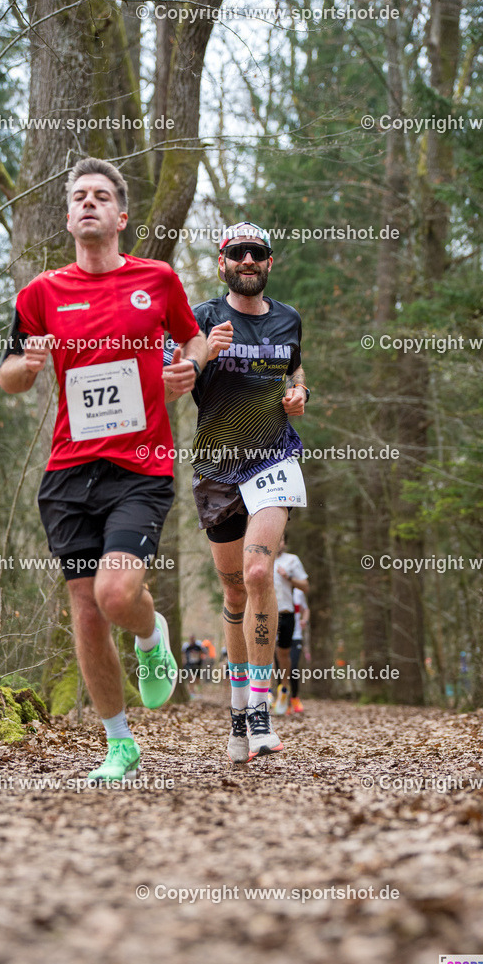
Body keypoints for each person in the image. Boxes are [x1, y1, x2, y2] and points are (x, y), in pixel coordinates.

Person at [0, 157, 207, 783]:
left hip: (141, 466)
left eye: (101, 196)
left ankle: (151, 633)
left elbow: (192, 339)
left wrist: (188, 368)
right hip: (68, 470)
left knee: (116, 594)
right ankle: (119, 744)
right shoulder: (40, 294)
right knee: (86, 609)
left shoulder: (159, 279)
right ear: (68, 217)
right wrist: (29, 366)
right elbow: (8, 375)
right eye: (79, 197)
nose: (89, 204)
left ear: (121, 216)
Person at [190, 221, 310, 763]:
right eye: (237, 252)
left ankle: (260, 710)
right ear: (223, 262)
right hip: (217, 469)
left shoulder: (288, 319)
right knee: (235, 594)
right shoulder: (203, 319)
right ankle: (238, 712)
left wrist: (300, 390)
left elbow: (295, 365)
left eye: (256, 252)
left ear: (268, 262)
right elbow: (171, 378)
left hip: (273, 459)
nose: (247, 260)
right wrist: (204, 356)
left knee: (260, 572)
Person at [273, 533, 309, 714]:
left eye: (280, 539)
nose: (277, 542)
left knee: (284, 656)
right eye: (274, 538)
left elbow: (305, 586)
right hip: (264, 613)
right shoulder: (261, 558)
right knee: (264, 655)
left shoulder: (291, 560)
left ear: (285, 543)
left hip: (286, 613)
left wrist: (288, 577)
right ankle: (264, 694)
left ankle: (284, 690)